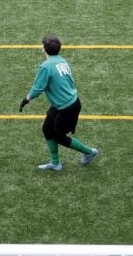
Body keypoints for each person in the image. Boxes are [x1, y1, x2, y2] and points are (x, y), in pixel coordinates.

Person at [20, 36, 98, 171]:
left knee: (59, 137)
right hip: (67, 103)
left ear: (44, 49)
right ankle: (55, 163)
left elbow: (38, 88)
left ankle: (89, 152)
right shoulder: (62, 61)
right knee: (47, 129)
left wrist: (26, 99)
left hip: (66, 107)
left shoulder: (45, 66)